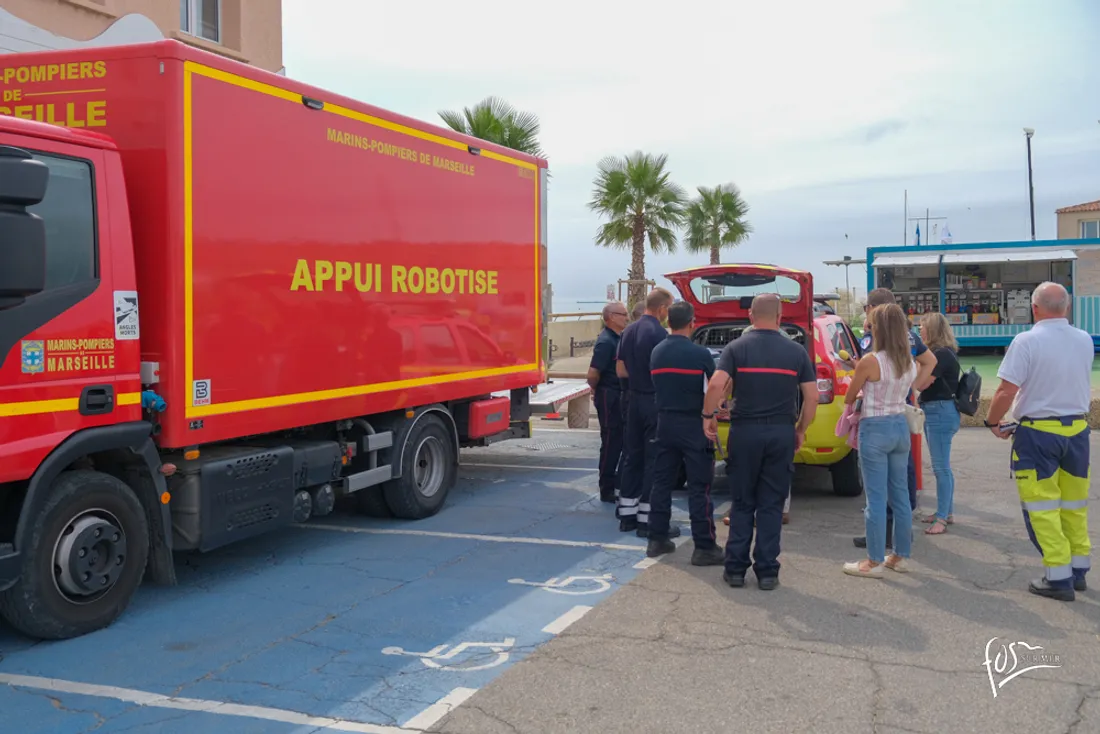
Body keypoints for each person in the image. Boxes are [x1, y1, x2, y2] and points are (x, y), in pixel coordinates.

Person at [985, 282, 1092, 601]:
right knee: (1074, 505)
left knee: (1042, 506)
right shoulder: (1084, 339)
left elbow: (1006, 390)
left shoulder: (1026, 341)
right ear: (1067, 308)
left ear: (1034, 308)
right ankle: (1077, 571)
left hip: (1038, 434)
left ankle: (1057, 578)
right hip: (1077, 432)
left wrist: (992, 421)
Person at [703, 293, 817, 590]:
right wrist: (801, 428)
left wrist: (708, 415)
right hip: (781, 433)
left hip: (745, 433)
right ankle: (767, 572)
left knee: (742, 502)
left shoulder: (736, 348)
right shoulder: (796, 353)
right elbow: (812, 397)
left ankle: (736, 570)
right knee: (771, 504)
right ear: (781, 318)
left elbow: (716, 384)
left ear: (751, 316)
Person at [852, 288, 937, 550]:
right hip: (901, 411)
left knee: (877, 489)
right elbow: (930, 361)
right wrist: (913, 386)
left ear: (873, 310)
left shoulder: (873, 339)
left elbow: (862, 377)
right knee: (902, 482)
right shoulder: (910, 337)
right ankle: (902, 539)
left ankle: (878, 542)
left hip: (877, 416)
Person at [843, 303, 919, 578]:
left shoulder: (870, 361)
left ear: (879, 329)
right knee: (899, 496)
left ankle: (872, 560)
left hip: (875, 427)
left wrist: (856, 375)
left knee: (875, 498)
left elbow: (850, 396)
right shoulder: (909, 360)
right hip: (900, 426)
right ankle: (900, 554)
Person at [645, 300, 722, 564]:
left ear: (668, 322)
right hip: (694, 425)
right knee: (700, 487)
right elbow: (714, 388)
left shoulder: (656, 352)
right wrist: (712, 415)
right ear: (692, 323)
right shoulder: (700, 355)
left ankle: (657, 539)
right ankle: (704, 546)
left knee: (662, 482)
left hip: (664, 423)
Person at [616, 287, 676, 537]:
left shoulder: (628, 330)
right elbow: (664, 374)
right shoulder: (660, 334)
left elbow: (620, 370)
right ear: (662, 309)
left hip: (632, 399)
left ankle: (627, 516)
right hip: (653, 400)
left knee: (632, 455)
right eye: (668, 310)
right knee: (654, 459)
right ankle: (647, 519)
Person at [917, 313, 961, 535]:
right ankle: (946, 512)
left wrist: (916, 362)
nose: (920, 331)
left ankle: (942, 518)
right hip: (940, 411)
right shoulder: (945, 352)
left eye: (923, 327)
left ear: (932, 330)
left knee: (941, 467)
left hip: (939, 412)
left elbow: (921, 384)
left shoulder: (939, 355)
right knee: (942, 466)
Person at [587, 301, 630, 504]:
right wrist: (596, 390)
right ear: (611, 317)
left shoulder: (617, 338)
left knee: (618, 441)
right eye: (623, 314)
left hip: (616, 394)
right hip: (609, 394)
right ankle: (606, 487)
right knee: (611, 442)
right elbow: (593, 373)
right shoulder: (606, 342)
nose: (626, 317)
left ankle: (614, 483)